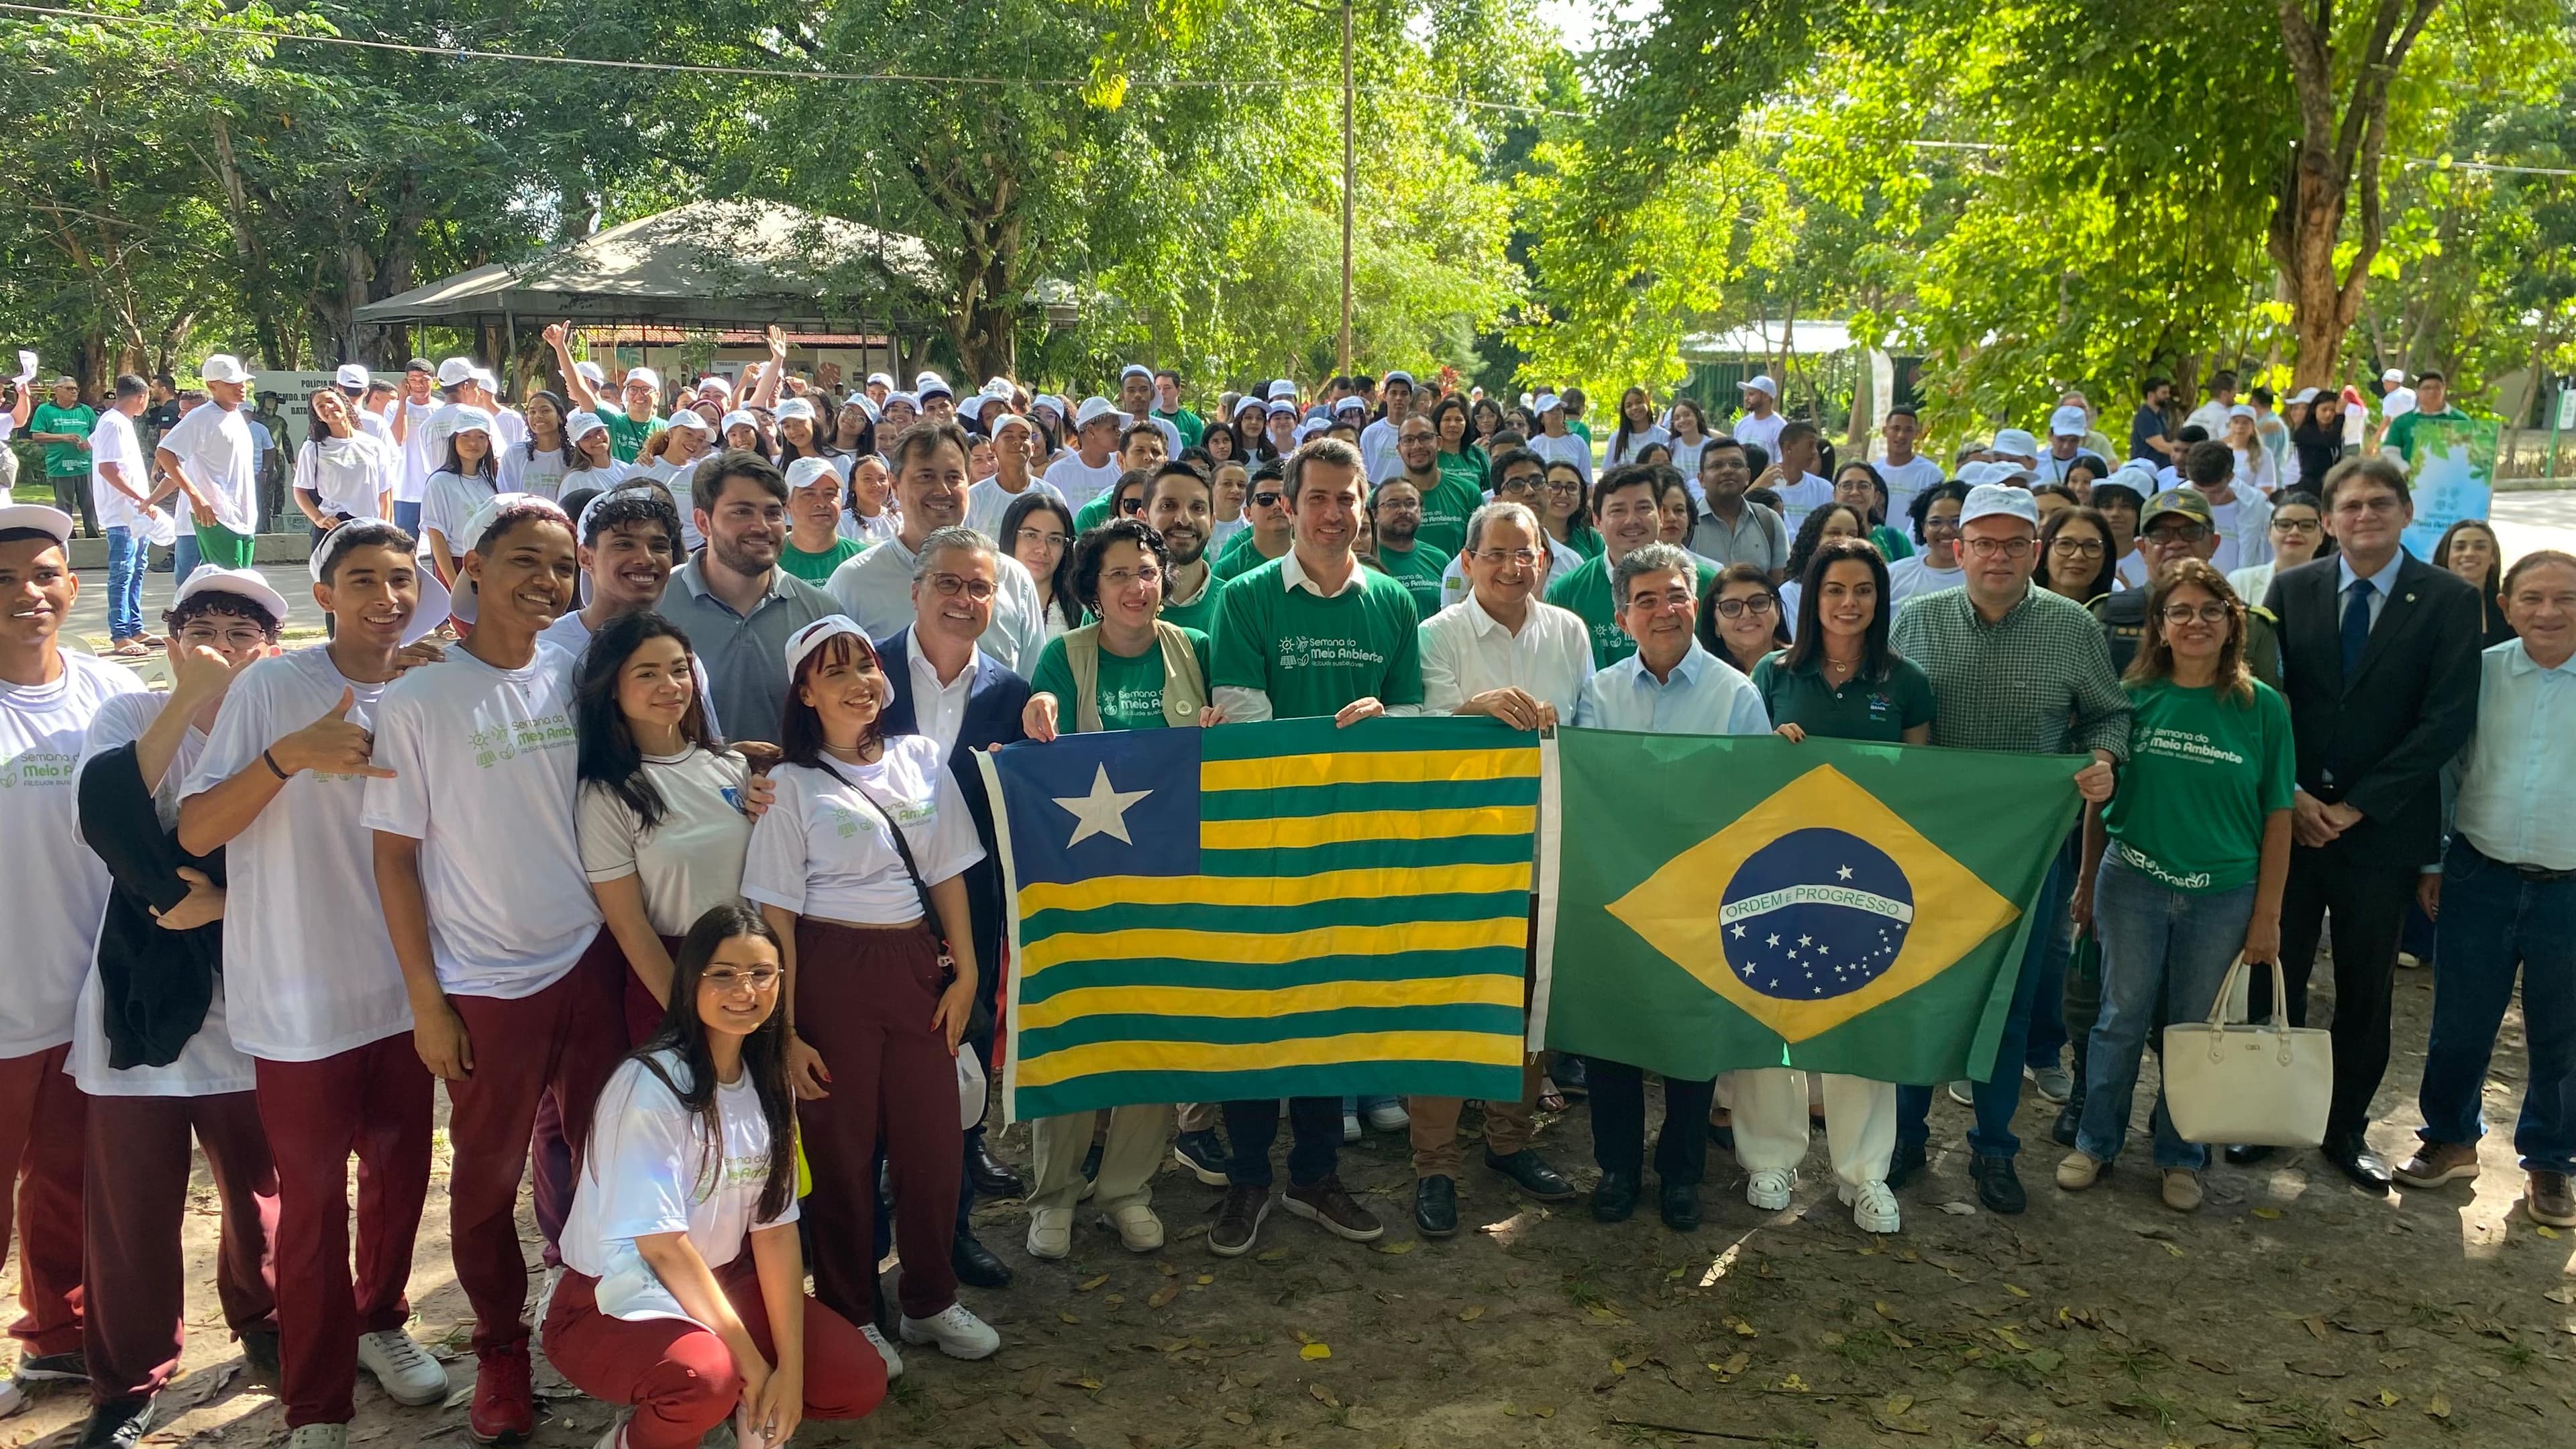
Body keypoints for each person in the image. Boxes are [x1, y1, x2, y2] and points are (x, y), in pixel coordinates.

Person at [176, 523, 453, 1449]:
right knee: (311, 1208)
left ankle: (382, 1323)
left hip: (410, 986)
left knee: (400, 1180)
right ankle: (317, 1402)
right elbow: (197, 831)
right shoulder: (270, 687)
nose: (387, 595)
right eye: (363, 579)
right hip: (298, 998)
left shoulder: (431, 689)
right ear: (324, 594)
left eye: (402, 578)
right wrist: (289, 757)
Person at [363, 494, 629, 1444]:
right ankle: (501, 1352)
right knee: (484, 1184)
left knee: (615, 1157)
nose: (547, 582)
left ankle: (612, 1326)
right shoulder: (422, 696)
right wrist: (427, 1000)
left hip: (589, 959)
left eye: (562, 565)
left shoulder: (571, 669)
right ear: (471, 566)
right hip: (486, 981)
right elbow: (394, 857)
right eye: (526, 561)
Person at [68, 566, 290, 1447]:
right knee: (132, 1209)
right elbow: (111, 820)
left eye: (243, 633)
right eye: (203, 630)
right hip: (139, 998)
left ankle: (268, 1321)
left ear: (270, 649)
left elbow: (303, 855)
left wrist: (224, 903)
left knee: (261, 1188)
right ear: (169, 640)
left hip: (257, 994)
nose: (223, 647)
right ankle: (126, 1385)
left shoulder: (279, 725)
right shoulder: (128, 717)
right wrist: (183, 699)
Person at [741, 616, 1000, 1367]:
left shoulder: (922, 760)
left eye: (865, 666)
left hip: (918, 972)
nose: (860, 682)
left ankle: (930, 1298)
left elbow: (951, 872)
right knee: (842, 1151)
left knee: (933, 1145)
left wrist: (969, 976)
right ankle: (852, 1310)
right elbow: (776, 916)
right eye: (836, 671)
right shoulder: (789, 785)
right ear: (806, 692)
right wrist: (785, 1031)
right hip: (829, 975)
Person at [545, 904, 885, 1448]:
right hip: (610, 1299)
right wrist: (753, 1365)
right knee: (708, 1381)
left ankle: (740, 1419)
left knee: (856, 1380)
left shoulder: (768, 1081)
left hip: (721, 1282)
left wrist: (790, 1374)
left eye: (761, 974)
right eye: (723, 974)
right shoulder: (650, 1085)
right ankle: (632, 1441)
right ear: (690, 982)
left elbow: (775, 1230)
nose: (744, 990)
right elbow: (662, 1247)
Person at [1204, 438, 1422, 1256]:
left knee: (1335, 1003)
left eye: (1348, 498)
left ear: (1364, 507)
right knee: (1260, 1006)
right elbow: (1244, 719)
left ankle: (1318, 1173)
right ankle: (1249, 1174)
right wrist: (1342, 744)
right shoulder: (1245, 595)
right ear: (1288, 505)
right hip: (1266, 841)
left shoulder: (1396, 604)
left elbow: (1412, 726)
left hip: (1358, 844)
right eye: (1319, 497)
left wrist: (1384, 729)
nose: (1335, 513)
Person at [1886, 484, 2128, 1214]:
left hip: (2031, 852)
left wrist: (2104, 762)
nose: (1998, 557)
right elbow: (1884, 712)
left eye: (2014, 544)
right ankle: (1906, 1138)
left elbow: (2110, 716)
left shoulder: (2071, 627)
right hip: (1927, 851)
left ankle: (1994, 1149)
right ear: (1957, 549)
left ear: (2037, 552)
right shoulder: (1916, 622)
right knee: (1918, 996)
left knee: (2012, 1003)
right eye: (1984, 543)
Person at [2247, 456, 2482, 1190]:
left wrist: (2355, 806)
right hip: (2291, 821)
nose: (2365, 517)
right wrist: (2291, 792)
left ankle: (2344, 1129)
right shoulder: (2292, 588)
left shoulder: (2446, 599)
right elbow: (2263, 697)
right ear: (2329, 519)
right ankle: (2262, 1120)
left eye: (2381, 504)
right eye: (2349, 506)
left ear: (2407, 513)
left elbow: (2444, 721)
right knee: (2272, 974)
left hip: (2379, 835)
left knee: (2364, 989)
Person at [2058, 561, 2294, 1214]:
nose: (2195, 623)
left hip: (2223, 895)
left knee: (2193, 1031)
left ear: (2231, 624)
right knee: (2118, 1019)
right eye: (2180, 611)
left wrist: (2267, 915)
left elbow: (2279, 815)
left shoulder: (2262, 708)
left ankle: (2181, 1155)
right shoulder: (2130, 698)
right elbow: (2098, 798)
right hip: (2130, 881)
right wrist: (2084, 880)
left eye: (2209, 611)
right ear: (2159, 626)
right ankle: (2095, 1141)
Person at [1017, 519, 1221, 1259]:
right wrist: (1035, 715)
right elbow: (1037, 754)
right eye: (1118, 576)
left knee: (1150, 1033)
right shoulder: (1062, 657)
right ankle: (1054, 1195)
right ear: (1092, 589)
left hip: (1170, 885)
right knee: (1075, 1034)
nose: (1136, 587)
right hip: (1078, 890)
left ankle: (1127, 1189)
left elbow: (1225, 748)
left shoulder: (1195, 650)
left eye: (1146, 572)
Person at [1574, 542, 1771, 1228]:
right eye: (1647, 599)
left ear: (1699, 606)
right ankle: (1618, 1168)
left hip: (1704, 898)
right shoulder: (1595, 693)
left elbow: (1755, 805)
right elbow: (1586, 795)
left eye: (1677, 596)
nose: (1664, 610)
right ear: (1624, 615)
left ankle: (1682, 1174)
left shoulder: (1737, 696)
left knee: (1694, 1041)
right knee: (1612, 1037)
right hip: (1617, 894)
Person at [1407, 499, 1590, 1234]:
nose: (1515, 568)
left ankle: (1509, 1143)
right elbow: (1410, 737)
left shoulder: (1571, 633)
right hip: (1460, 855)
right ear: (1468, 562)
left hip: (1546, 851)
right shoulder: (1437, 636)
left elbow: (1588, 730)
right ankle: (1435, 1163)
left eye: (1529, 554)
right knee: (1449, 1008)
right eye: (1499, 554)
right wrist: (1471, 710)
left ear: (1544, 560)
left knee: (1529, 1003)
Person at [0, 504, 147, 1416]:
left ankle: (56, 1341)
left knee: (71, 1187)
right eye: (5, 581)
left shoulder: (109, 695)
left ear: (73, 585)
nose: (28, 594)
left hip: (90, 1000)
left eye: (46, 575)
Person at [1743, 536, 1932, 1234]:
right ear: (1810, 597)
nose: (1848, 604)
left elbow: (1920, 784)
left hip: (1870, 875)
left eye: (1862, 591)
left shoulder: (1907, 681)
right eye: (1834, 590)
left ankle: (1865, 1173)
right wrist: (1770, 752)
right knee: (1773, 1011)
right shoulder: (1770, 674)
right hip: (1778, 871)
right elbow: (1739, 777)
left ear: (1880, 602)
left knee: (1862, 1012)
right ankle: (1770, 1157)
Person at [2396, 551, 2576, 1225]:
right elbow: (2449, 769)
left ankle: (2553, 1162)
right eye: (2531, 599)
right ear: (2505, 606)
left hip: (2571, 886)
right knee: (2460, 1021)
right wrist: (2434, 862)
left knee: (2563, 1033)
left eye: (2565, 598)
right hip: (2480, 871)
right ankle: (2449, 1138)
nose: (2549, 612)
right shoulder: (2482, 673)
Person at [575, 612, 759, 1048]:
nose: (670, 685)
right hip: (672, 981)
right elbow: (629, 925)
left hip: (754, 973)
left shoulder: (732, 767)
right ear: (613, 690)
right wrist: (690, 1015)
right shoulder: (605, 794)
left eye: (680, 670)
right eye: (648, 674)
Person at [831, 422, 1047, 676]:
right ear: (895, 485)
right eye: (926, 476)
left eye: (954, 477)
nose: (942, 490)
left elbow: (1036, 686)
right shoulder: (853, 583)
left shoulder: (1012, 578)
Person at [658, 452, 841, 740]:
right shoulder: (656, 606)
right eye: (742, 512)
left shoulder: (822, 615)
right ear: (703, 522)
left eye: (773, 513)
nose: (761, 526)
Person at [2093, 490, 2284, 685]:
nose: (2176, 543)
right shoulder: (2105, 615)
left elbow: (2269, 709)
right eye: (2161, 534)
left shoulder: (2248, 624)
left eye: (2191, 532)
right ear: (2142, 548)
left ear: (2213, 544)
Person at [1550, 466, 1719, 669]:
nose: (1632, 521)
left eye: (1643, 508)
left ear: (1661, 516)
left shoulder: (1705, 582)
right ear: (1597, 520)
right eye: (1618, 511)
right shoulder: (1568, 592)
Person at [154, 356, 263, 570]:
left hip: (242, 516)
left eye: (241, 381)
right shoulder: (202, 417)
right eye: (231, 383)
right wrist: (197, 498)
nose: (240, 387)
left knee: (239, 582)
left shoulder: (236, 415)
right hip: (216, 516)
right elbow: (165, 452)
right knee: (224, 587)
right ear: (211, 386)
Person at [87, 375, 162, 656]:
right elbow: (108, 468)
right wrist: (141, 497)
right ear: (140, 397)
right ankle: (119, 634)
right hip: (122, 513)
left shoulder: (119, 423)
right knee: (123, 571)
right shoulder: (113, 423)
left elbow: (93, 445)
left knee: (137, 568)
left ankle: (135, 627)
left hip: (134, 513)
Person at [294, 386, 400, 543]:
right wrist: (319, 519)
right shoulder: (313, 448)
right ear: (317, 417)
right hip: (333, 529)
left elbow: (385, 492)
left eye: (331, 401)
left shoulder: (373, 445)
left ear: (344, 403)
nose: (328, 408)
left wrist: (387, 529)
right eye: (321, 406)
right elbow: (300, 491)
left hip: (369, 527)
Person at [551, 329, 663, 464]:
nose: (639, 394)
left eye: (646, 389)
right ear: (626, 393)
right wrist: (560, 347)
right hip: (618, 484)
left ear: (657, 395)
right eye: (633, 389)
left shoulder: (667, 429)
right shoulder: (612, 421)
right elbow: (579, 390)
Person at [419, 407, 503, 584]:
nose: (474, 443)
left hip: (491, 564)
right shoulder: (440, 482)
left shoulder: (489, 482)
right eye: (465, 436)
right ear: (453, 441)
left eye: (481, 437)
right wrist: (453, 583)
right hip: (458, 564)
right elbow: (437, 537)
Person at [1688, 436, 1788, 578]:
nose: (1728, 470)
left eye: (1736, 464)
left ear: (1748, 476)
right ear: (1701, 479)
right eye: (1717, 466)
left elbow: (1778, 583)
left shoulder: (1769, 521)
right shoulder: (1687, 523)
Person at [1142, 462, 1222, 635]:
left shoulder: (1238, 604)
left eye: (1197, 508)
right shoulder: (1112, 607)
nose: (1184, 520)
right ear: (1144, 518)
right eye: (1168, 506)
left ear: (1212, 522)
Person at [964, 411, 1058, 540]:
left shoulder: (1051, 495)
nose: (1017, 442)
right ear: (994, 447)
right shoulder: (974, 497)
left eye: (1024, 437)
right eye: (1009, 437)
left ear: (1032, 448)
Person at [1002, 491, 1081, 640]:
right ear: (1011, 536)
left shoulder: (1082, 608)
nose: (1043, 549)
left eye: (1055, 540)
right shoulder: (989, 602)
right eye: (1031, 535)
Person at [1365, 476, 1450, 617]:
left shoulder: (1440, 560)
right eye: (1393, 504)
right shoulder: (1366, 561)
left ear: (1422, 510)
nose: (1403, 510)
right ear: (1375, 514)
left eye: (1411, 504)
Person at [2229, 489, 2328, 608]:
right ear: (2269, 532)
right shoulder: (2241, 582)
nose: (2294, 532)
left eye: (2306, 526)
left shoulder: (2331, 586)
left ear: (2322, 535)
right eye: (2284, 525)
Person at [1776, 502, 1867, 631]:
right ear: (1815, 540)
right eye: (1834, 533)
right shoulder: (1790, 593)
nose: (1844, 540)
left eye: (1852, 535)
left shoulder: (1869, 589)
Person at [28, 378, 99, 536]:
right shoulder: (45, 410)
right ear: (57, 390)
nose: (74, 391)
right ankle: (67, 539)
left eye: (76, 389)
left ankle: (94, 538)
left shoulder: (85, 410)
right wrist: (64, 437)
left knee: (90, 504)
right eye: (69, 388)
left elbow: (97, 435)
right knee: (64, 507)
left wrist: (88, 443)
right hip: (60, 467)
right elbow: (37, 435)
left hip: (85, 466)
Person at [2432, 518, 2516, 650]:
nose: (2469, 553)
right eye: (2460, 547)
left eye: (2480, 547)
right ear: (2446, 555)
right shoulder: (2424, 604)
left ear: (2493, 557)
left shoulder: (2507, 607)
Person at [1697, 564, 1791, 676]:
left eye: (1758, 603)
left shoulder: (1806, 668)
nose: (1747, 614)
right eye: (1732, 607)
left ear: (1777, 612)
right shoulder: (1702, 680)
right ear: (1715, 623)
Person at [780, 457, 862, 584]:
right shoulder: (768, 561)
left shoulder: (864, 559)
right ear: (787, 504)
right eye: (809, 494)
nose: (821, 503)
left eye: (830, 494)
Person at [1884, 482, 1968, 605]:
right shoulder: (1894, 575)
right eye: (1935, 522)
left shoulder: (1985, 576)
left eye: (1956, 522)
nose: (1946, 530)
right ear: (1923, 528)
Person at [1212, 460, 1295, 582]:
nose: (1278, 505)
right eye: (1266, 499)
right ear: (1248, 513)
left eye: (1283, 499)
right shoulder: (1226, 570)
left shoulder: (1313, 559)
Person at [1043, 398, 1126, 509]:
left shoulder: (1123, 467)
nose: (1119, 433)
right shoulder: (1057, 473)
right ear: (1091, 430)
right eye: (1113, 428)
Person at [2039, 506, 2118, 604]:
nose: (2078, 556)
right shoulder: (2018, 609)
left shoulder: (2120, 614)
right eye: (2065, 544)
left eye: (2092, 546)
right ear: (2044, 552)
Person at [1527, 393, 1592, 488]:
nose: (1557, 413)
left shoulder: (1578, 442)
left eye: (1558, 409)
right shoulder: (1534, 445)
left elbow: (1587, 479)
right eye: (1550, 411)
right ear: (1541, 419)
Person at [1605, 386, 1668, 468]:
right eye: (1629, 406)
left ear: (1648, 404)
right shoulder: (1616, 438)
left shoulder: (1663, 436)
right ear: (1624, 411)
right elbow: (1607, 471)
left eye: (1639, 402)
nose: (1634, 408)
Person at [1730, 375, 1786, 462]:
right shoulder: (1741, 424)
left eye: (1751, 394)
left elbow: (1781, 464)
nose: (1746, 398)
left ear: (1766, 397)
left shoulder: (1780, 428)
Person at [2129, 378, 2179, 465]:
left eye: (2168, 393)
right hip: (2147, 470)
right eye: (2164, 393)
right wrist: (2188, 452)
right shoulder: (2145, 417)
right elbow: (2161, 446)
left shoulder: (2161, 415)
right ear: (2151, 395)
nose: (2168, 396)